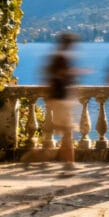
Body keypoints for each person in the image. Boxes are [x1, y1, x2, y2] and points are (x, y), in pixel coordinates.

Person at [44, 32, 85, 166]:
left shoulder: (58, 57)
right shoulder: (61, 58)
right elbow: (62, 75)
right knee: (68, 133)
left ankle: (58, 158)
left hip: (60, 99)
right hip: (61, 100)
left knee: (66, 132)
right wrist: (77, 72)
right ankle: (69, 163)